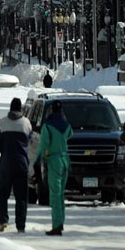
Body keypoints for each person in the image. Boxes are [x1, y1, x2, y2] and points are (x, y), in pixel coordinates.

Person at [0, 97, 32, 233]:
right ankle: (21, 225)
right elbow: (30, 141)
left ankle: (3, 220)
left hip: (6, 163)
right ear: (20, 108)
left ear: (10, 108)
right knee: (21, 196)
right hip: (21, 163)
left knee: (2, 193)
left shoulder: (2, 123)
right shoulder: (26, 123)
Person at [37, 100, 72, 236]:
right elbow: (70, 134)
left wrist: (39, 160)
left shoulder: (47, 126)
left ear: (51, 110)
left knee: (55, 194)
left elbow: (43, 145)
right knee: (61, 193)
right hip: (65, 160)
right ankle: (61, 221)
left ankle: (56, 225)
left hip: (54, 161)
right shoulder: (66, 124)